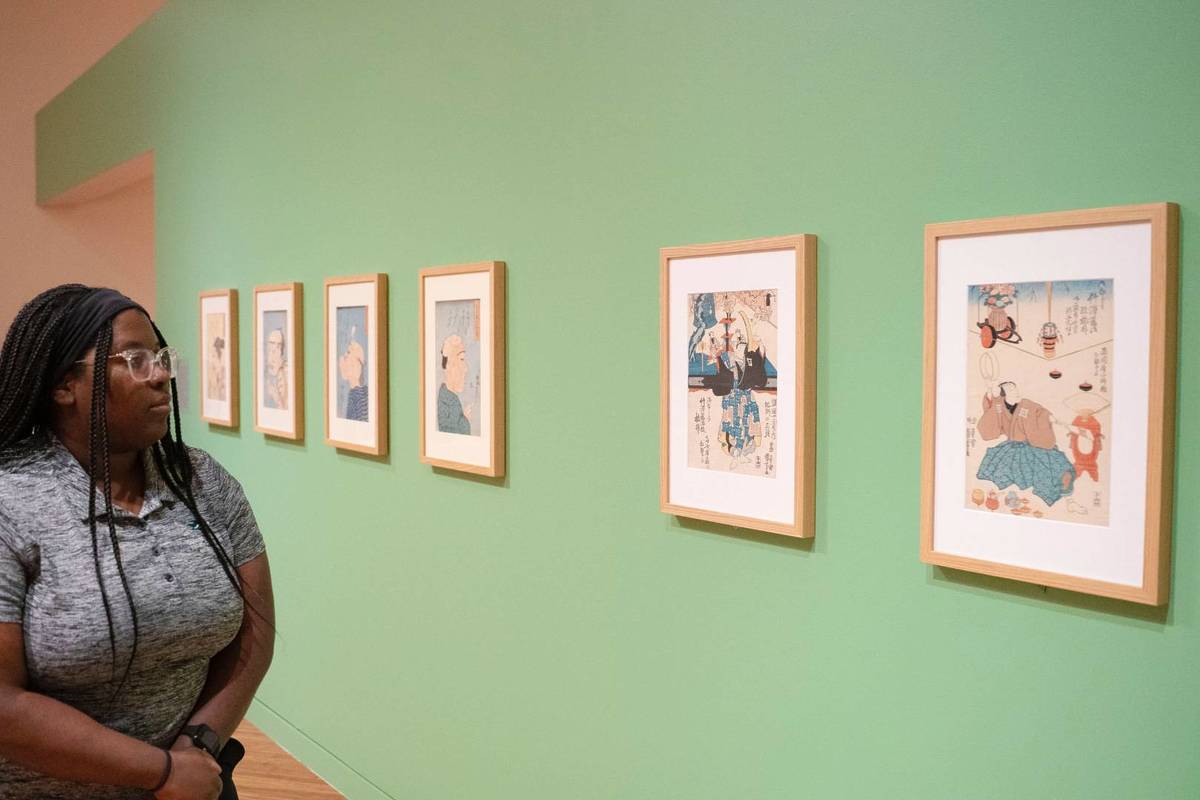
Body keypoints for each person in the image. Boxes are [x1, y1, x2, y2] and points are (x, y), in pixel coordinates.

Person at [0, 285, 275, 799]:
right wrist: (160, 771)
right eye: (136, 359)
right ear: (64, 385)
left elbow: (255, 634)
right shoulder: (10, 500)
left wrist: (196, 749)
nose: (162, 373)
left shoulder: (203, 482)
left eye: (162, 356)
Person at [436, 335, 472, 435]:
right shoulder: (447, 400)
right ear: (448, 365)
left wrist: (463, 417)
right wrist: (465, 421)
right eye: (461, 359)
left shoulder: (449, 398)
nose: (465, 368)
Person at [338, 331, 368, 422]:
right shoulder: (355, 393)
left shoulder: (359, 396)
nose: (342, 359)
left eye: (348, 354)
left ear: (356, 366)